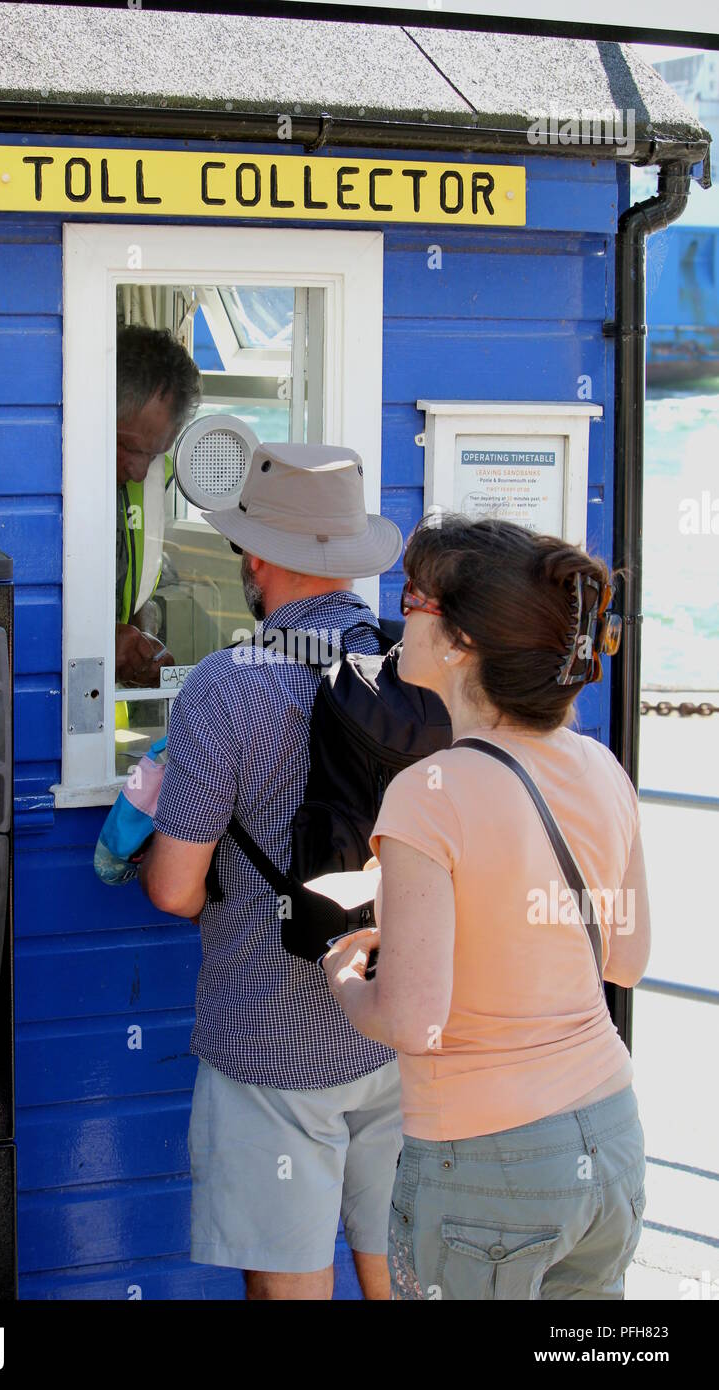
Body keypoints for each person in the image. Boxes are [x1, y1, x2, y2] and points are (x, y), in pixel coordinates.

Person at [324, 512, 651, 1301]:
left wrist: (345, 977)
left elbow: (412, 1021)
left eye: (414, 596)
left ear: (463, 641)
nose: (398, 613)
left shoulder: (427, 795)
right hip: (608, 1136)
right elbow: (627, 960)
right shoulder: (601, 767)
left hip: (487, 1162)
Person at [139, 442, 405, 1300]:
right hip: (399, 1022)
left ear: (256, 555)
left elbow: (174, 889)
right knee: (401, 1275)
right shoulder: (415, 672)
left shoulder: (226, 686)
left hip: (271, 1045)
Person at [114, 325, 202, 686]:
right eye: (128, 448)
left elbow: (136, 593)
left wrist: (142, 640)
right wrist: (98, 642)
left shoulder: (155, 473)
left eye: (153, 455)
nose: (138, 471)